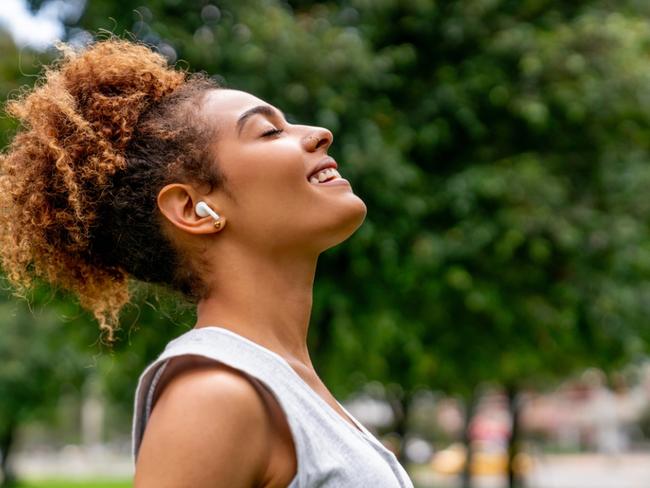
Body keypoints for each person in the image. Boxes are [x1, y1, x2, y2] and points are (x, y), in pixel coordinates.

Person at [0, 38, 414, 487]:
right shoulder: (215, 394)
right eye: (269, 131)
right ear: (192, 209)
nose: (318, 132)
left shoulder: (279, 383)